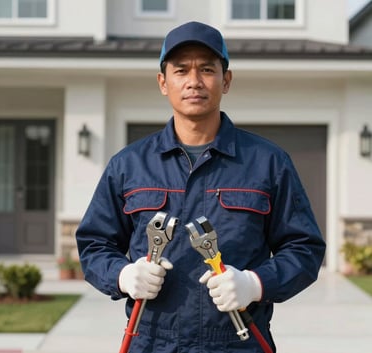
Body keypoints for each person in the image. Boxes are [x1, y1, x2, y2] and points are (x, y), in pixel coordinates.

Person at [76, 21, 326, 353]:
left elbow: (304, 249)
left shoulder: (268, 162)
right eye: (181, 70)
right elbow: (94, 244)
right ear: (163, 82)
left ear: (226, 80)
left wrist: (255, 284)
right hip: (152, 343)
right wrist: (123, 275)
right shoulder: (128, 165)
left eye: (207, 69)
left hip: (239, 343)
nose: (194, 81)